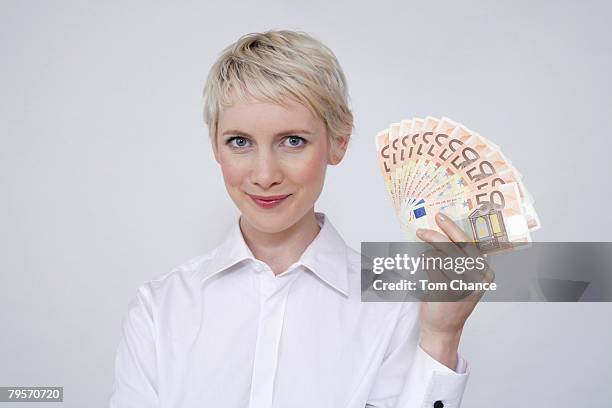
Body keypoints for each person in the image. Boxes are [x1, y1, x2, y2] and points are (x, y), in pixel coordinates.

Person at [109, 29, 484, 408]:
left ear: (339, 140)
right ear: (215, 144)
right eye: (239, 142)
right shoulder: (160, 309)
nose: (265, 174)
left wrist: (442, 336)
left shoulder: (394, 307)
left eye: (292, 141)